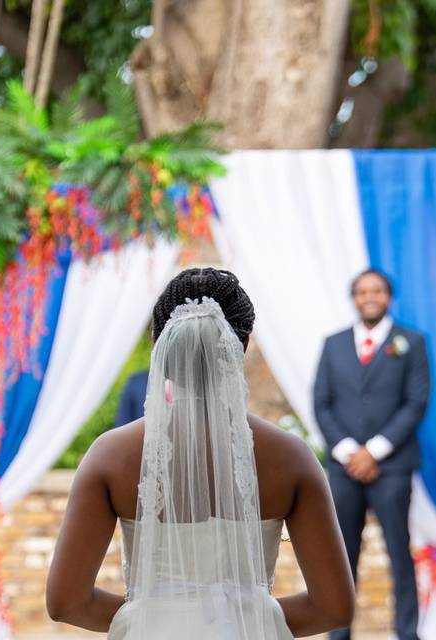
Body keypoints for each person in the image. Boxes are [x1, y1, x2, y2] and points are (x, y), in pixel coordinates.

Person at [45, 268, 354, 639]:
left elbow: (66, 601)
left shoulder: (110, 456)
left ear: (161, 344)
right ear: (242, 344)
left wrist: (158, 616)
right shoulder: (292, 457)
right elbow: (334, 607)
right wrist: (241, 617)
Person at [313, 268, 431, 640]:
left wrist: (375, 452)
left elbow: (416, 402)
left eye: (377, 291)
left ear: (388, 297)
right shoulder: (333, 344)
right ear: (354, 297)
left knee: (399, 551)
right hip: (344, 468)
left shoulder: (411, 342)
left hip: (392, 468)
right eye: (363, 291)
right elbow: (321, 402)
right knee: (342, 555)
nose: (370, 297)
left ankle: (407, 633)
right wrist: (350, 452)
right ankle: (339, 632)